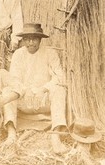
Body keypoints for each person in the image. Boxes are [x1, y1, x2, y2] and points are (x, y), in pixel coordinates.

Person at [9, 23, 68, 154]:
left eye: (34, 39)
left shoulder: (50, 53)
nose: (31, 42)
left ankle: (55, 135)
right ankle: (11, 133)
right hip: (24, 100)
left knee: (60, 89)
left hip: (43, 100)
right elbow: (14, 79)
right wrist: (25, 90)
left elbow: (60, 77)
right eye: (27, 39)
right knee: (8, 92)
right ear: (23, 40)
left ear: (40, 39)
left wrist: (44, 89)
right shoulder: (18, 54)